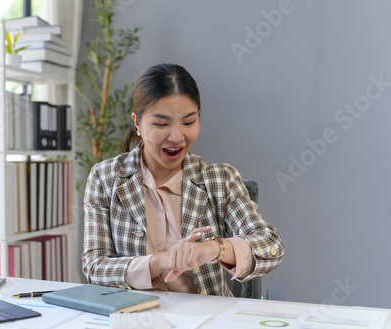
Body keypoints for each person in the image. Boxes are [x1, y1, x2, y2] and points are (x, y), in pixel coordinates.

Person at [82, 63, 284, 296]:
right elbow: (94, 267)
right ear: (137, 122)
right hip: (134, 317)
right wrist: (161, 261)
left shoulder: (219, 179)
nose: (177, 136)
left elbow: (271, 246)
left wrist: (215, 249)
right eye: (161, 124)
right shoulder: (105, 178)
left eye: (188, 122)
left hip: (207, 320)